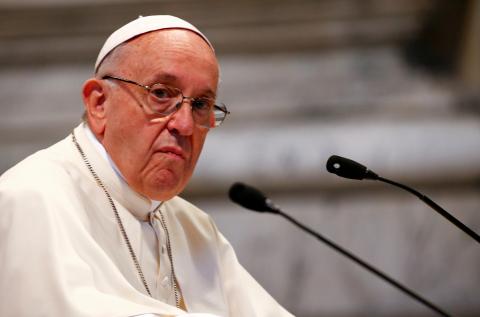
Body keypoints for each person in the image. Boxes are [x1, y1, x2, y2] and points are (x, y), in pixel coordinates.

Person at [0, 15, 293, 317]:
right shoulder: (32, 197)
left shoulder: (193, 226)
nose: (185, 125)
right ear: (99, 103)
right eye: (161, 94)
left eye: (201, 105)